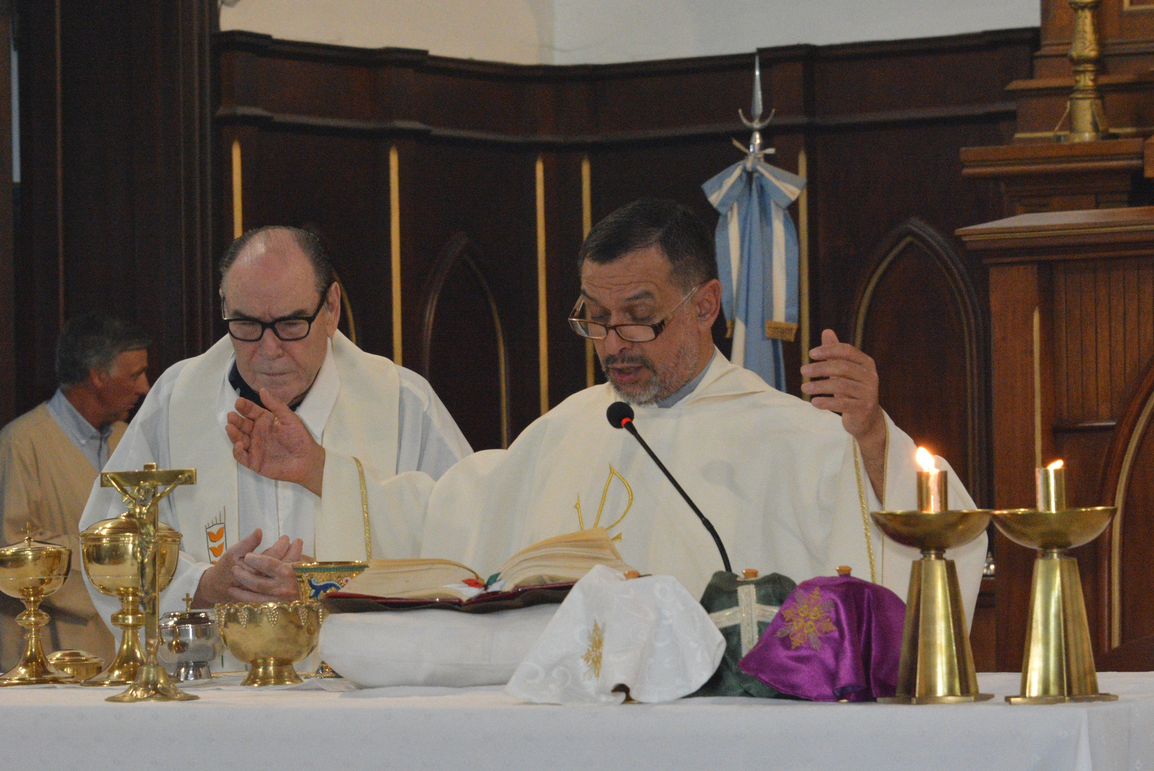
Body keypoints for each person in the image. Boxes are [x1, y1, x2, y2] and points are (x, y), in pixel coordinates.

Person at [226, 202, 986, 614]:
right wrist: (321, 469)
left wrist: (873, 439)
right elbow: (455, 515)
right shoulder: (575, 425)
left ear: (707, 305)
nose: (614, 341)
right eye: (594, 317)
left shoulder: (790, 430)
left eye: (638, 316)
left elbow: (925, 546)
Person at [79, 227, 471, 633]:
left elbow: (468, 534)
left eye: (290, 323)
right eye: (246, 324)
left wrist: (325, 478)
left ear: (331, 308)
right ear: (224, 305)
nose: (268, 349)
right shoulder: (176, 400)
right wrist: (202, 586)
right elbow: (108, 540)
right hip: (215, 685)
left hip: (357, 686)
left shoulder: (402, 402)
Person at [0, 313, 151, 668]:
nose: (145, 387)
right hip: (52, 652)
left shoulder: (127, 440)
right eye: (135, 374)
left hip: (126, 648)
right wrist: (113, 560)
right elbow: (10, 549)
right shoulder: (21, 444)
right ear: (98, 375)